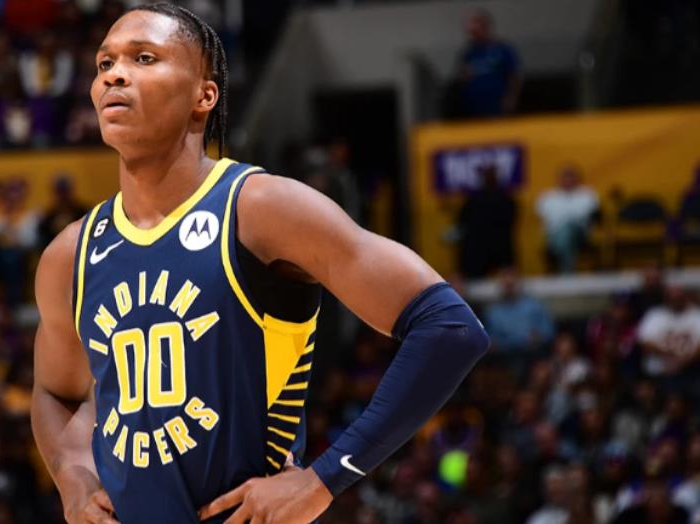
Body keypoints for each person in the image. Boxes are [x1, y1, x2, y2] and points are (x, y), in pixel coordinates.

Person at [29, 4, 489, 523]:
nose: (114, 74)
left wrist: (323, 479)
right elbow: (55, 391)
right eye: (104, 63)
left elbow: (449, 327)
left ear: (204, 95)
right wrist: (73, 478)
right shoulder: (71, 253)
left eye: (144, 58)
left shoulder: (260, 209)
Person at [455, 9, 521, 118]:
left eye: (475, 32)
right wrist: (464, 76)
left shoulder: (502, 49)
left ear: (485, 28)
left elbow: (514, 75)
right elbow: (462, 78)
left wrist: (511, 98)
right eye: (471, 33)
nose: (472, 36)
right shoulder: (469, 53)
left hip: (498, 106)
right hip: (475, 109)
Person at [536, 167, 600, 273]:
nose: (568, 182)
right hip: (554, 235)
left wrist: (567, 221)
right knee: (565, 234)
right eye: (565, 178)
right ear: (558, 180)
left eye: (571, 179)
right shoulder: (547, 197)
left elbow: (587, 217)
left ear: (578, 180)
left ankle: (566, 273)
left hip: (581, 235)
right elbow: (547, 217)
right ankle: (567, 272)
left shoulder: (588, 195)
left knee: (568, 230)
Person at [457, 164, 516, 278]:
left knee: (505, 277)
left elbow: (462, 221)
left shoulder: (474, 200)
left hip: (484, 248)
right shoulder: (506, 198)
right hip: (491, 247)